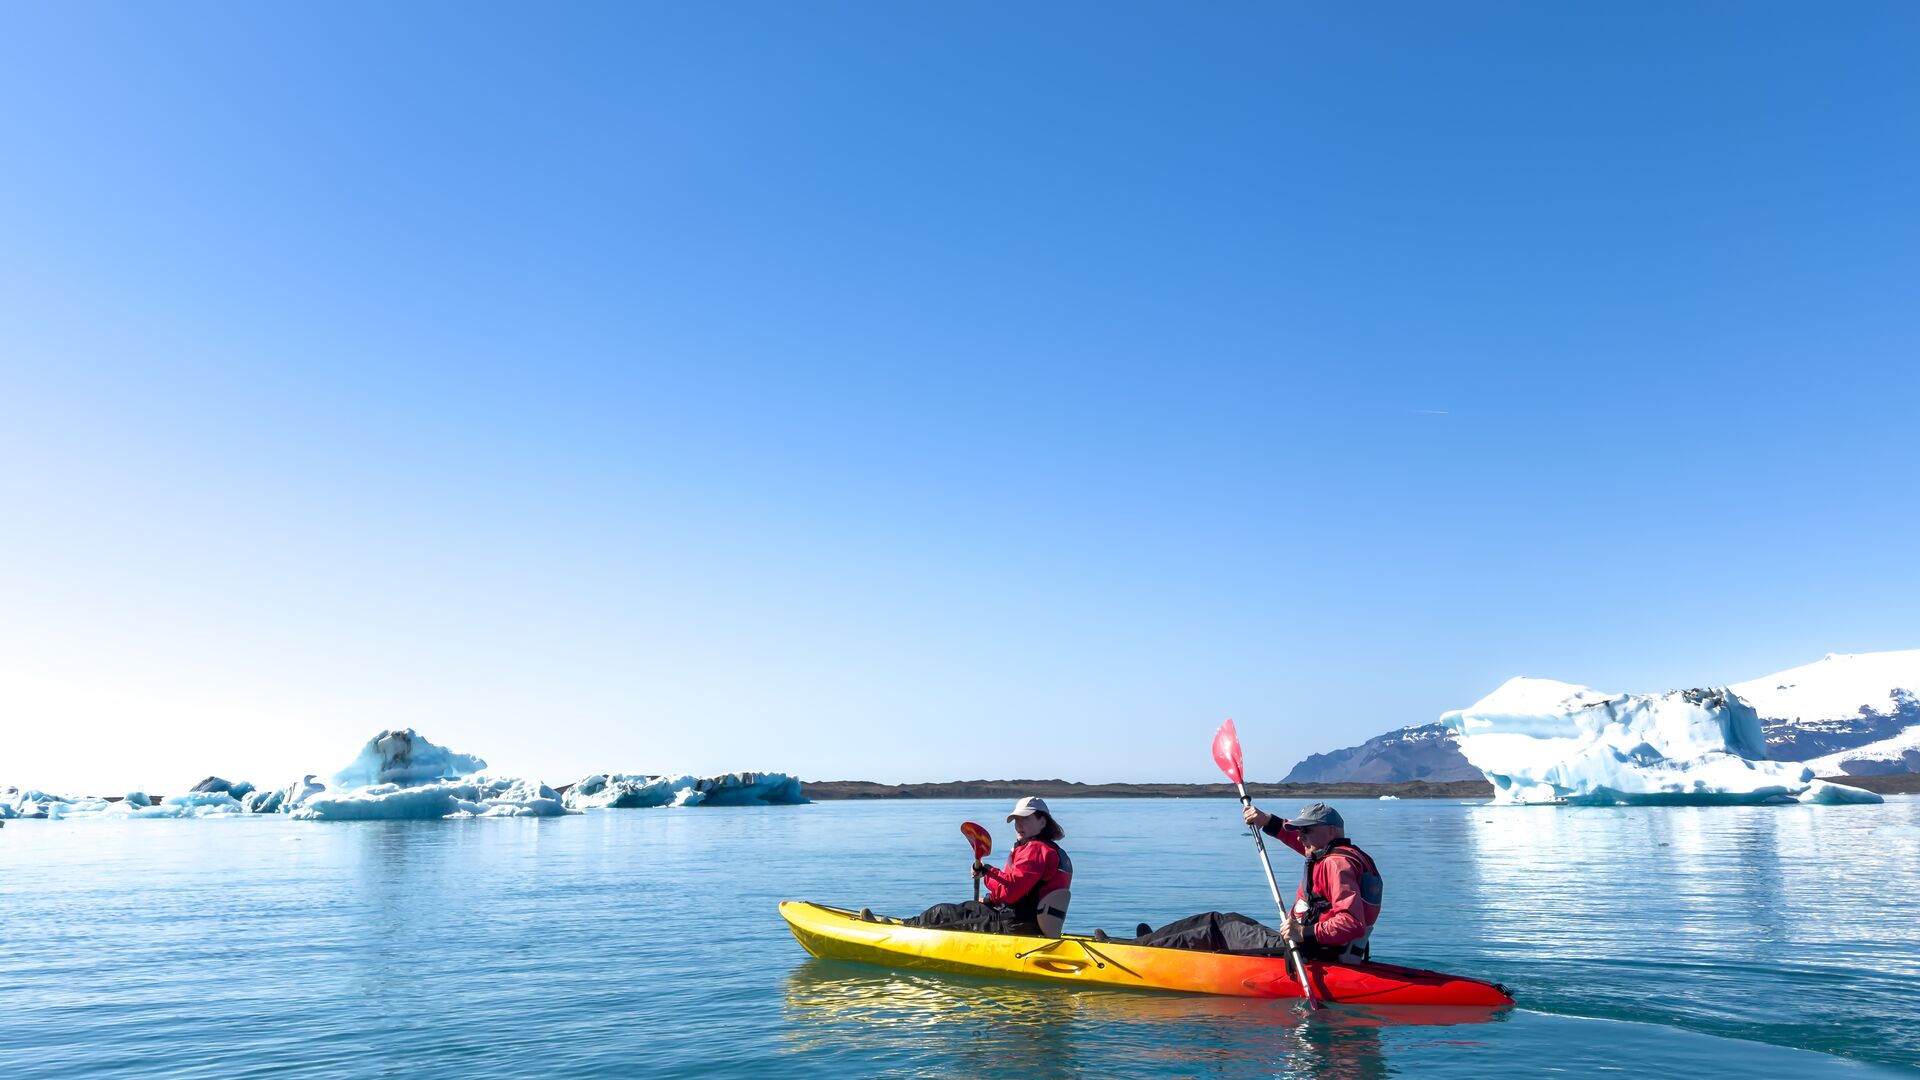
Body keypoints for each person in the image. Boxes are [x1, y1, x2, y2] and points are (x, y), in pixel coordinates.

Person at [887, 796, 1074, 935]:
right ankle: (910, 922)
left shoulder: (1035, 850)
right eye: (1016, 819)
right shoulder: (1055, 852)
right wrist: (991, 899)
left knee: (942, 912)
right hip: (1031, 924)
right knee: (970, 906)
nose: (1018, 824)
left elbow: (1011, 891)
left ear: (1042, 821)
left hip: (1015, 926)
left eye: (1025, 818)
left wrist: (986, 872)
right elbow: (1022, 891)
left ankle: (903, 929)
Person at [1241, 800, 1383, 962]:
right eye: (1299, 830)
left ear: (1330, 831)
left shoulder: (1335, 864)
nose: (1300, 837)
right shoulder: (1349, 857)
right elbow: (1300, 841)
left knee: (1214, 925)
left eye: (1306, 830)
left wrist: (1303, 932)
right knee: (1234, 921)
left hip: (1310, 951)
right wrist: (1267, 820)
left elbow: (1351, 923)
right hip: (1333, 950)